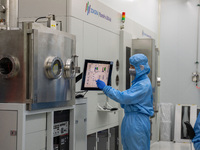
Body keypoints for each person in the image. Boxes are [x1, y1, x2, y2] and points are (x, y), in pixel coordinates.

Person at [96, 54, 154, 150]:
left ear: (141, 67)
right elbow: (127, 99)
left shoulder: (143, 84)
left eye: (132, 67)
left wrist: (106, 88)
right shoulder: (138, 82)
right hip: (131, 119)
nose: (130, 69)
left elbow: (124, 97)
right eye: (130, 66)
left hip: (137, 122)